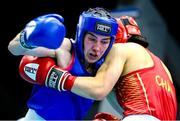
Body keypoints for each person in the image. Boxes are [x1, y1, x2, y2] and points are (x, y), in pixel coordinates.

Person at [19, 15, 177, 121]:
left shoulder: (120, 50)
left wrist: (56, 77)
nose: (100, 49)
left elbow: (98, 89)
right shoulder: (161, 66)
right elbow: (133, 105)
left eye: (105, 42)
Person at [8, 7, 118, 120]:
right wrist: (27, 38)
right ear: (81, 35)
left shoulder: (105, 67)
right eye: (92, 39)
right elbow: (14, 49)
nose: (97, 48)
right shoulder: (65, 48)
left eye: (104, 42)